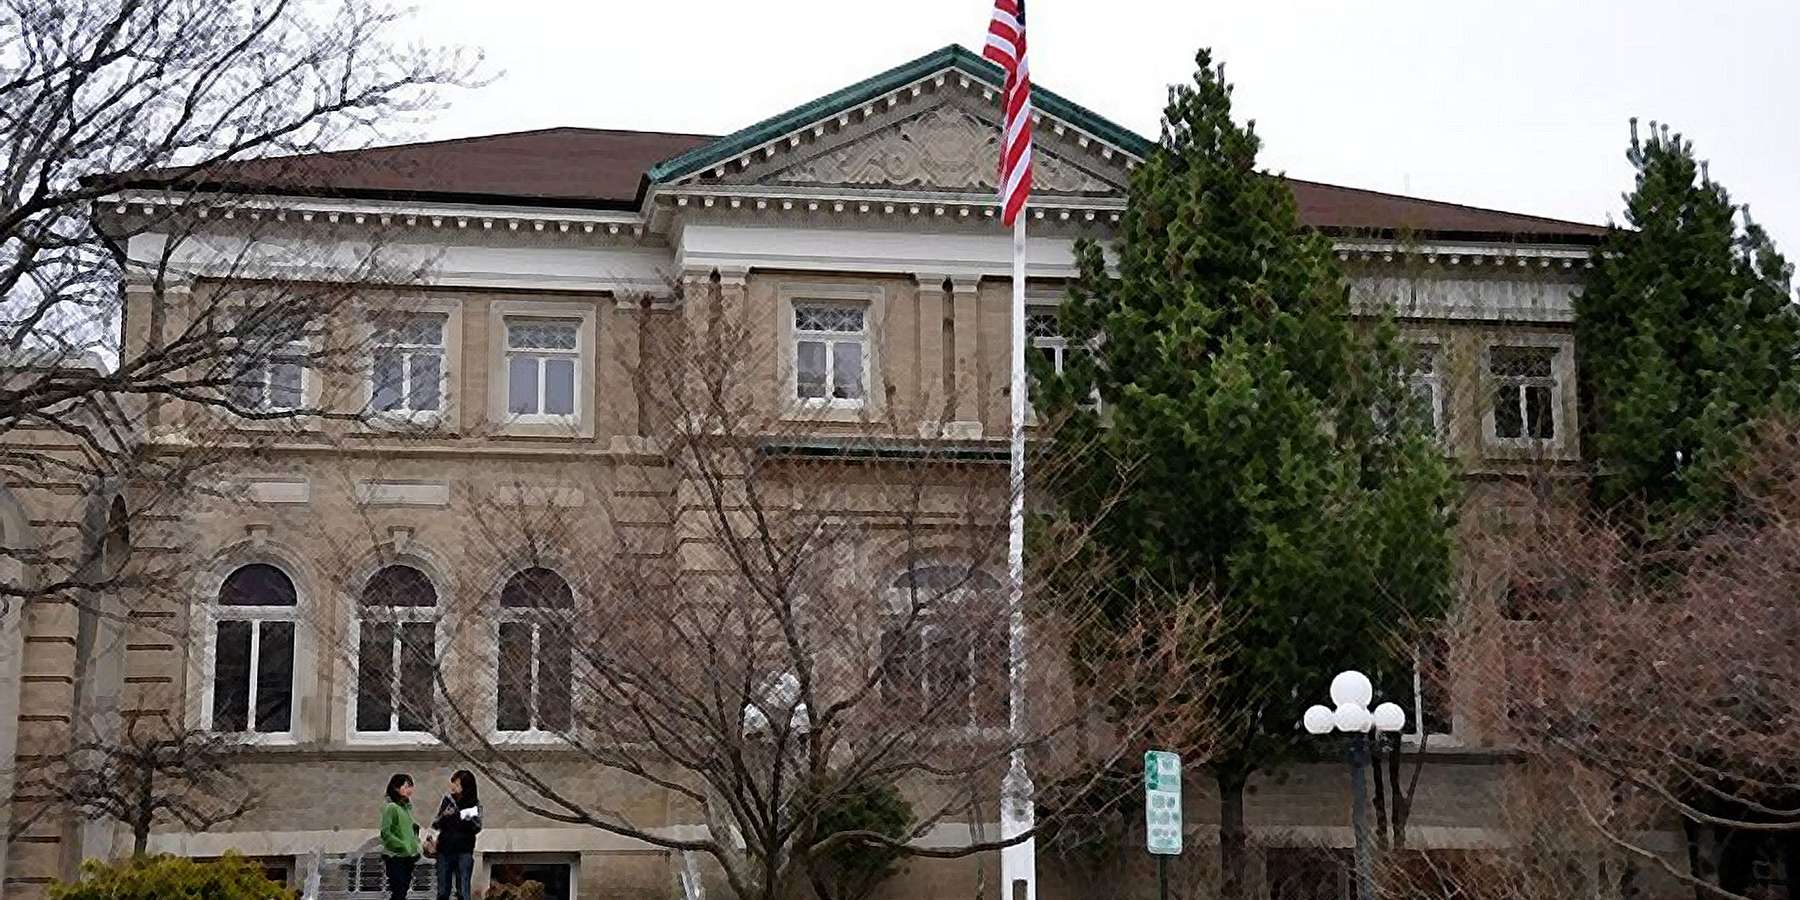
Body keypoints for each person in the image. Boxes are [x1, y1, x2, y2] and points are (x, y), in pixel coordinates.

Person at [432, 769, 482, 900]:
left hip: (464, 851)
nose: (453, 786)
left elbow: (477, 826)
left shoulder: (473, 803)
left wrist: (464, 816)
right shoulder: (447, 800)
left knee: (463, 891)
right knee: (443, 891)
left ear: (465, 787)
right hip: (445, 850)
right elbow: (436, 823)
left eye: (457, 784)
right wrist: (444, 816)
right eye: (453, 782)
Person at [380, 773, 422, 900]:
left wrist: (415, 845)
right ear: (396, 788)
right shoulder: (391, 808)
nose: (410, 790)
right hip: (395, 857)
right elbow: (386, 833)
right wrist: (402, 846)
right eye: (406, 786)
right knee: (398, 892)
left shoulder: (406, 809)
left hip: (408, 857)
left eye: (411, 786)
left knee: (402, 892)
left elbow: (408, 832)